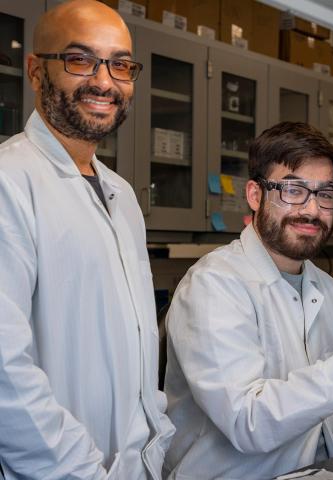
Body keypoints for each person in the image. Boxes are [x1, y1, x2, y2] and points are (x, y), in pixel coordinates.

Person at [163, 122, 333, 479]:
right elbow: (248, 421)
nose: (312, 210)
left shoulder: (332, 294)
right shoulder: (214, 285)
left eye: (325, 194)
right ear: (254, 195)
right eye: (294, 190)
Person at [0, 1, 174, 478]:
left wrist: (154, 435)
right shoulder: (8, 181)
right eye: (80, 60)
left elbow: (135, 342)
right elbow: (4, 370)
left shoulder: (120, 195)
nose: (104, 81)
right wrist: (78, 471)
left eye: (121, 65)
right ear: (37, 72)